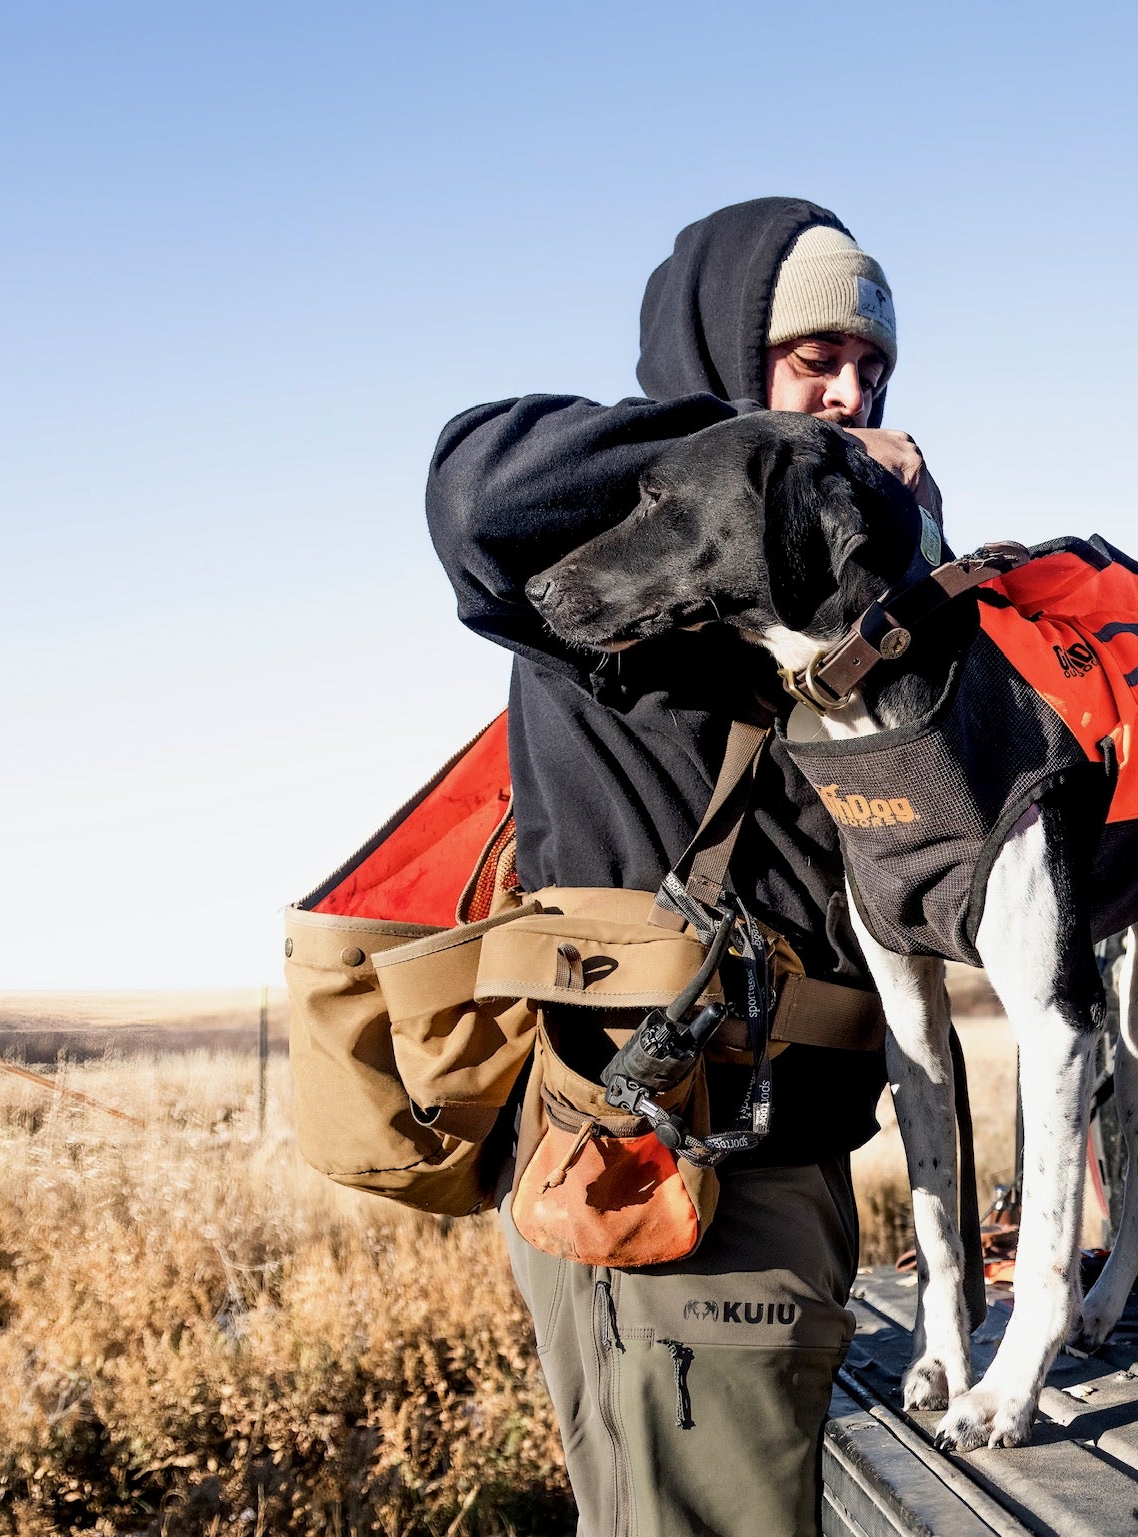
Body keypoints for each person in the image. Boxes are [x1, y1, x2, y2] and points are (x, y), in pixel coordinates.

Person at [426, 198, 935, 1536]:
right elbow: (471, 488)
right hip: (672, 1165)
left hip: (791, 1160)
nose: (849, 391)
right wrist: (780, 449)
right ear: (726, 351)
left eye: (870, 367)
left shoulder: (839, 577)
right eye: (814, 357)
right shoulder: (620, 532)